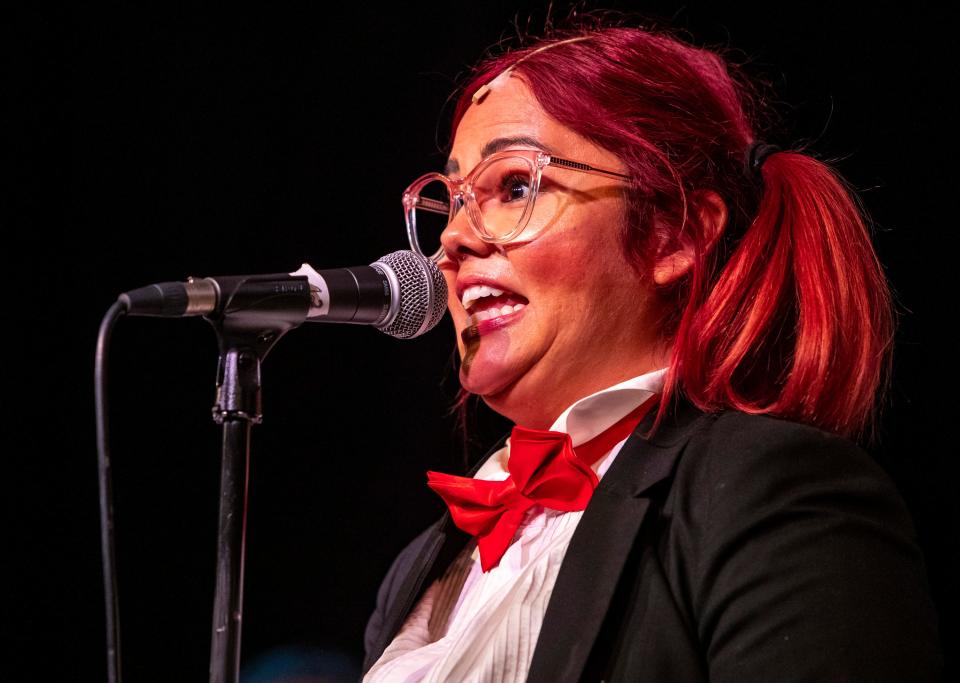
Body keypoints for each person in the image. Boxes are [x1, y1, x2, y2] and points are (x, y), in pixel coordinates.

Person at [362, 20, 942, 682]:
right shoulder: (428, 563)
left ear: (674, 235)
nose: (455, 240)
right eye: (454, 202)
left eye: (515, 186)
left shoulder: (763, 488)